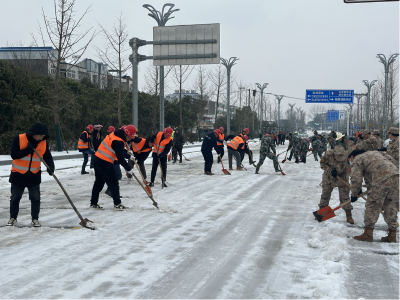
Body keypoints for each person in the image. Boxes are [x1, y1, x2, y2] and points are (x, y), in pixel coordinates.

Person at [7, 122, 55, 227]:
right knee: (15, 197)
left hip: (34, 175)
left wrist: (50, 167)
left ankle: (35, 219)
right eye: (40, 136)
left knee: (35, 198)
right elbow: (14, 155)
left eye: (43, 136)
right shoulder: (19, 138)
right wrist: (28, 149)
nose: (41, 138)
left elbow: (47, 156)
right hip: (18, 175)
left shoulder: (43, 142)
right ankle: (13, 218)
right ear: (34, 133)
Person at [348, 150, 400, 242]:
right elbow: (392, 160)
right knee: (391, 205)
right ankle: (392, 236)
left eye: (350, 160)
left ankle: (368, 234)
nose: (351, 162)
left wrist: (354, 194)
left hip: (381, 178)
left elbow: (355, 178)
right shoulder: (376, 153)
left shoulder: (358, 158)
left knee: (373, 205)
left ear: (352, 156)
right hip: (396, 176)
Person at [89, 125, 136, 210]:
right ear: (126, 134)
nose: (130, 139)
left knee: (98, 183)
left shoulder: (115, 134)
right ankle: (117, 204)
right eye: (130, 137)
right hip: (105, 162)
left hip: (97, 159)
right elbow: (120, 158)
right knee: (114, 183)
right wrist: (129, 169)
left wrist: (126, 151)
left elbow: (114, 148)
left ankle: (93, 203)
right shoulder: (119, 141)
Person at [318, 145, 354, 224]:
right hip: (328, 177)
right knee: (325, 195)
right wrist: (330, 170)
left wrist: (346, 175)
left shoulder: (346, 155)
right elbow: (322, 164)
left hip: (342, 177)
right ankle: (322, 213)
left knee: (345, 196)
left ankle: (349, 215)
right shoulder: (328, 154)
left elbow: (349, 167)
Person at [104, 126, 131, 197]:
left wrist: (127, 152)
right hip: (111, 160)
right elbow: (119, 153)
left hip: (113, 159)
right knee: (117, 176)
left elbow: (120, 150)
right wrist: (128, 158)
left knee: (116, 176)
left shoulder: (118, 138)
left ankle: (111, 191)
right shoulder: (116, 139)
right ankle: (111, 191)